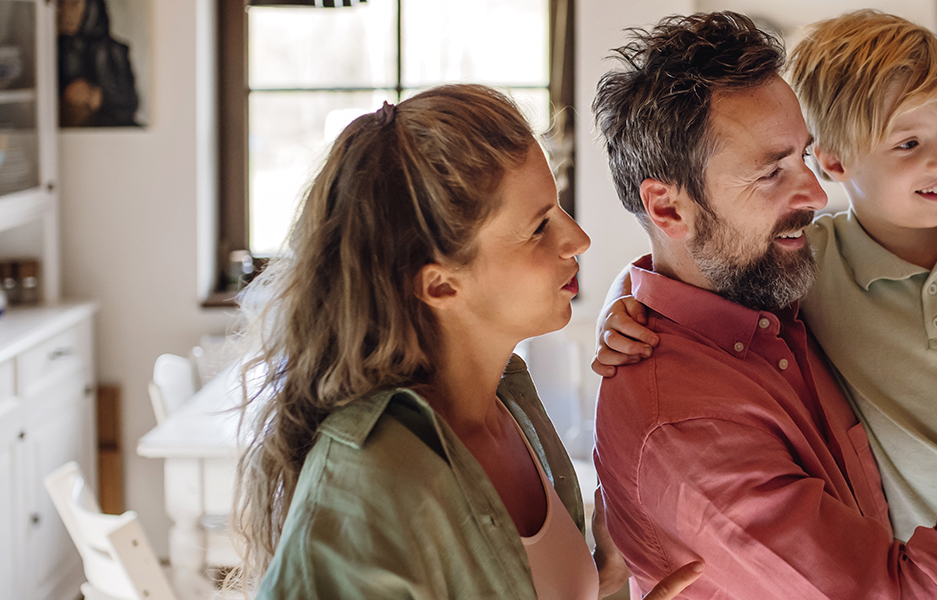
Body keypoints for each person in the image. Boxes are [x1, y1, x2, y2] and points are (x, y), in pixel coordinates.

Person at [595, 11, 937, 599]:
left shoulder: (777, 279)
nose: (812, 194)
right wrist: (623, 303)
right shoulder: (807, 273)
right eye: (771, 171)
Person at [227, 84, 700, 599]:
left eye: (557, 208)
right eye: (539, 227)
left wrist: (605, 576)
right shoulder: (366, 478)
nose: (578, 239)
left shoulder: (513, 407)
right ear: (440, 284)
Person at [56, 0, 140, 127]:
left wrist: (94, 95)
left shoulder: (112, 49)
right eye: (60, 4)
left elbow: (129, 102)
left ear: (92, 6)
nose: (66, 13)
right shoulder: (56, 48)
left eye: (74, 4)